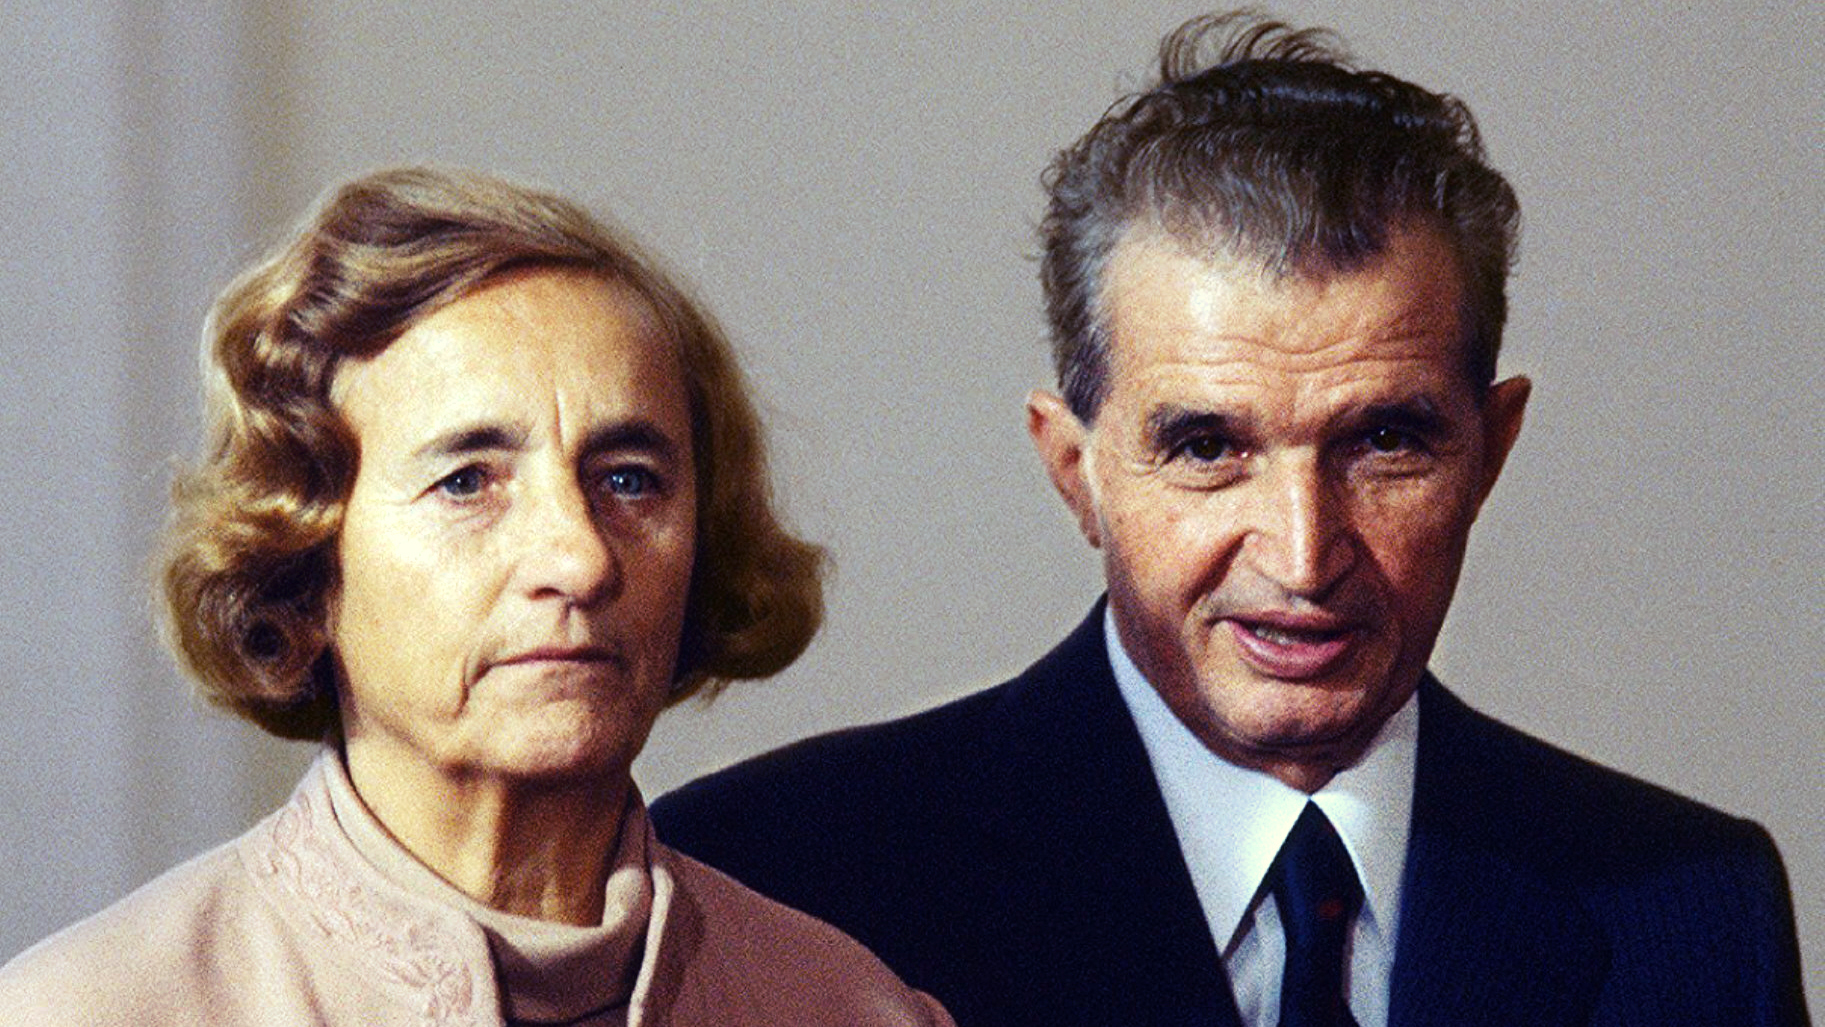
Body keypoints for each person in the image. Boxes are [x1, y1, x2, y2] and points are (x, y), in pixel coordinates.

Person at [649, 13, 1808, 1027]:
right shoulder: (766, 881)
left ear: (1490, 450)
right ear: (1074, 469)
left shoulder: (1694, 910)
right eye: (1207, 448)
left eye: (1383, 441)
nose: (1302, 556)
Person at [0, 167, 953, 1027]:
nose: (580, 558)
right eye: (467, 482)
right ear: (302, 567)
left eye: (628, 479)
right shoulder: (91, 1011)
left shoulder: (849, 1006)